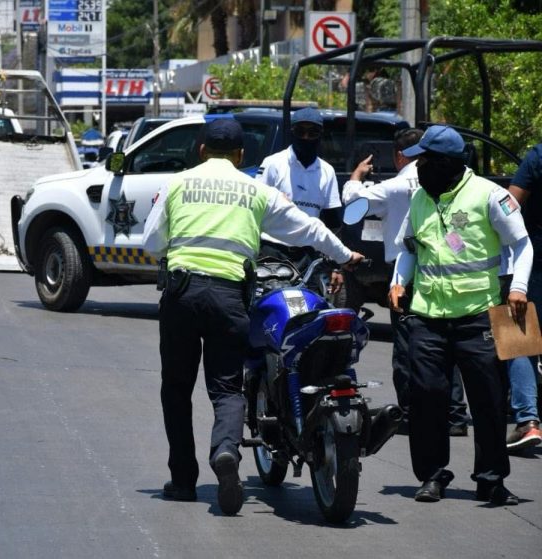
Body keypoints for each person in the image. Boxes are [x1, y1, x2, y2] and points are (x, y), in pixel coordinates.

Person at [143, 119, 365, 515]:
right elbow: (309, 229)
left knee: (176, 388)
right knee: (226, 388)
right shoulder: (255, 190)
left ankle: (182, 480)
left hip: (181, 294)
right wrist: (345, 256)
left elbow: (151, 243)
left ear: (201, 150)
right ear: (241, 155)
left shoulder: (177, 184)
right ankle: (226, 451)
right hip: (230, 297)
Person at [388, 125, 531, 505]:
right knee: (427, 397)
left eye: (424, 160)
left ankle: (491, 479)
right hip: (427, 316)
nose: (417, 167)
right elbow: (409, 248)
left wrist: (519, 287)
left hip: (478, 316)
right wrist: (398, 281)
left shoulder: (489, 195)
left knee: (487, 400)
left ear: (446, 163)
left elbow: (522, 243)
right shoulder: (420, 198)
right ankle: (432, 476)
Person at [343, 128, 470, 437]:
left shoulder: (396, 186)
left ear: (401, 156)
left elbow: (353, 203)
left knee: (406, 348)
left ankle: (411, 414)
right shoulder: (461, 180)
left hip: (405, 275)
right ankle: (454, 415)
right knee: (447, 342)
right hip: (448, 271)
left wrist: (356, 176)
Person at [256, 107, 344, 292]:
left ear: (321, 135)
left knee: (309, 309)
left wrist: (336, 266)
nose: (306, 137)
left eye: (312, 132)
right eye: (300, 131)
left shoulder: (327, 171)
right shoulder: (273, 164)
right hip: (272, 251)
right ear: (292, 133)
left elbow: (332, 221)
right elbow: (255, 210)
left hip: (307, 254)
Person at [504, 144, 542, 451]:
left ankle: (528, 421)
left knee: (519, 336)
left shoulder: (538, 156)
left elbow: (510, 203)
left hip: (535, 262)